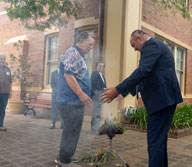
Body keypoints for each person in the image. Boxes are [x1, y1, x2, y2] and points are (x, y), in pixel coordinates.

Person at [101, 30, 183, 167]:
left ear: (139, 38)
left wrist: (117, 89)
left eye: (134, 45)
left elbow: (143, 71)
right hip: (165, 100)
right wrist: (125, 92)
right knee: (159, 141)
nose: (134, 49)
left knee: (155, 142)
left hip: (161, 101)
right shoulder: (156, 46)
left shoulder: (151, 46)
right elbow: (147, 74)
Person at [55, 32, 95, 166]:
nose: (91, 47)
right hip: (69, 101)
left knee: (72, 130)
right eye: (90, 44)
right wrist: (81, 94)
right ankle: (64, 160)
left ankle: (64, 157)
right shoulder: (72, 53)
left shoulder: (78, 55)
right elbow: (69, 76)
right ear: (81, 41)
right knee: (71, 130)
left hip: (73, 101)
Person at [90, 61, 106, 133]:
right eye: (99, 66)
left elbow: (104, 86)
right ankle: (94, 128)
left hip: (101, 96)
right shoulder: (94, 74)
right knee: (96, 112)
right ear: (96, 66)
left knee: (99, 112)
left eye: (102, 66)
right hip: (96, 96)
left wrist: (105, 93)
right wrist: (99, 93)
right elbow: (94, 85)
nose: (100, 67)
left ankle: (97, 127)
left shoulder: (102, 75)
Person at [0, 55, 12, 131]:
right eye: (1, 59)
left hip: (5, 92)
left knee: (2, 109)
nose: (3, 60)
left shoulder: (8, 69)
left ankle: (1, 124)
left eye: (4, 59)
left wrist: (10, 92)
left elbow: (10, 82)